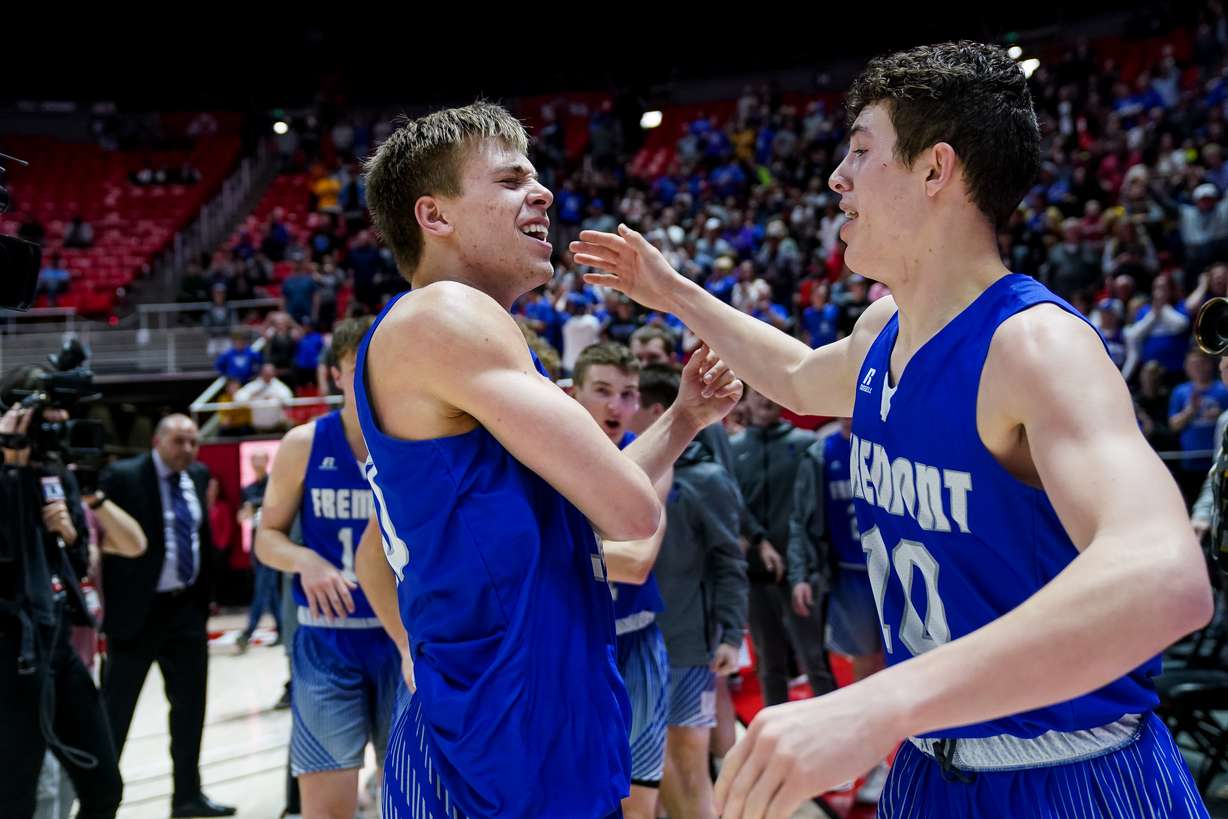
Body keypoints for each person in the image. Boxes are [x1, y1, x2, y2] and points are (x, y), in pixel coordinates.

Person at [573, 41, 1211, 818]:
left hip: (1069, 769)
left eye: (861, 150)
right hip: (929, 766)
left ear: (936, 170)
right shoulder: (884, 330)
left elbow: (1166, 578)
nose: (837, 177)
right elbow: (797, 375)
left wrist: (879, 701)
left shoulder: (1034, 345)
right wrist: (672, 291)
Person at [351, 102, 741, 819]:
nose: (544, 193)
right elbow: (631, 510)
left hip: (518, 722)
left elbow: (596, 504)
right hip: (491, 744)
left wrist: (684, 418)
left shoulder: (463, 338)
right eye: (510, 180)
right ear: (434, 215)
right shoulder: (443, 315)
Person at [255, 316, 400, 819]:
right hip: (327, 640)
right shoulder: (304, 444)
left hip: (401, 638)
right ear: (335, 375)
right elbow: (266, 538)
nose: (369, 378)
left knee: (409, 796)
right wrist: (305, 560)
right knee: (326, 807)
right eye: (356, 367)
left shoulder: (413, 441)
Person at [98, 415, 235, 817]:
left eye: (193, 442)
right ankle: (100, 801)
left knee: (190, 710)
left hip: (186, 609)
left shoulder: (198, 475)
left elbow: (199, 538)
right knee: (115, 713)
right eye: (179, 441)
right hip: (136, 614)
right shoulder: (122, 477)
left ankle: (187, 797)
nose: (187, 450)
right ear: (157, 441)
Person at [633, 365, 749, 819]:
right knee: (647, 771)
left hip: (687, 647)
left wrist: (731, 635)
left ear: (655, 411)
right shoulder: (619, 472)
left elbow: (729, 561)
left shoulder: (706, 479)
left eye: (632, 400)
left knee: (689, 764)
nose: (624, 410)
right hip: (635, 645)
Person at [571, 343, 671, 819]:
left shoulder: (656, 457)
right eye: (602, 390)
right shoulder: (546, 452)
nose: (617, 405)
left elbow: (636, 562)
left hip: (635, 639)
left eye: (628, 394)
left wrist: (553, 550)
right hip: (574, 644)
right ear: (574, 393)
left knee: (638, 801)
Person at [787, 416, 889, 804]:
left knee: (909, 666)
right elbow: (801, 521)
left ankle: (915, 759)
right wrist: (800, 573)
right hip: (849, 576)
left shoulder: (889, 437)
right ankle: (875, 763)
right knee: (864, 670)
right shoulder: (820, 452)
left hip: (897, 570)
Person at [729, 388, 834, 706]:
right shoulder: (733, 449)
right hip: (756, 574)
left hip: (801, 574)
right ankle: (776, 728)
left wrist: (812, 566)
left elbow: (815, 511)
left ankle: (833, 727)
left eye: (772, 392)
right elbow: (732, 505)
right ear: (745, 400)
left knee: (815, 660)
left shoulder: (805, 445)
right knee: (769, 664)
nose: (766, 399)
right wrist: (755, 540)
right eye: (758, 393)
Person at [237, 452, 281, 651]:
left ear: (267, 461)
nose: (256, 462)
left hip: (272, 541)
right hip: (257, 542)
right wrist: (248, 511)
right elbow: (242, 515)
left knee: (262, 587)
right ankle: (282, 628)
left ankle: (248, 631)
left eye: (260, 458)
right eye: (253, 459)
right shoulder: (248, 489)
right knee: (269, 590)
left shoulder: (274, 484)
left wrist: (256, 505)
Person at [234, 363, 294, 433]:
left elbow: (289, 400)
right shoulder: (253, 386)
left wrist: (276, 397)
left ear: (274, 373)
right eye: (266, 373)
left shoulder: (279, 386)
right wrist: (252, 396)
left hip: (277, 426)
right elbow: (238, 398)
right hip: (257, 428)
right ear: (261, 373)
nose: (268, 375)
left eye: (270, 372)